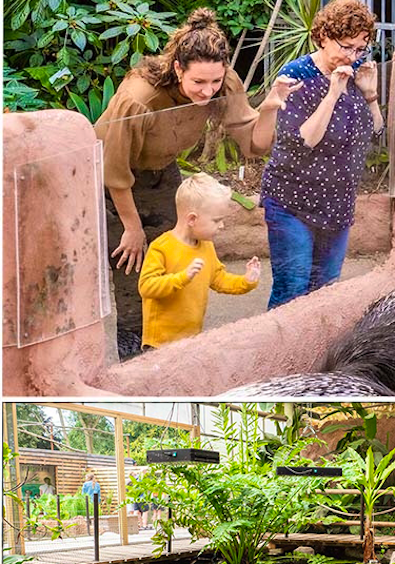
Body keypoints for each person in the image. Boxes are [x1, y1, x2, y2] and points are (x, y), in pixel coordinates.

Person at [95, 8, 299, 357]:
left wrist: (269, 109)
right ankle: (134, 355)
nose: (208, 91)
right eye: (198, 83)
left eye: (215, 82)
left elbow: (254, 144)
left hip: (162, 169)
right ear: (178, 68)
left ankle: (171, 344)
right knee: (135, 269)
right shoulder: (139, 98)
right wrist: (131, 226)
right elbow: (113, 171)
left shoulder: (224, 83)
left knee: (178, 252)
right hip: (111, 182)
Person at [260, 0, 383, 309]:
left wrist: (370, 95)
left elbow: (376, 132)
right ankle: (278, 357)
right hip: (292, 202)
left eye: (359, 49)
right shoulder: (296, 74)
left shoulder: (355, 71)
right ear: (324, 37)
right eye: (346, 46)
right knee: (293, 289)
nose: (352, 56)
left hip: (337, 204)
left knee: (326, 293)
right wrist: (332, 94)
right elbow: (304, 140)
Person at [138, 174, 260, 350]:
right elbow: (146, 287)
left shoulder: (206, 246)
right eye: (217, 220)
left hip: (191, 339)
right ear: (192, 219)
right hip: (160, 344)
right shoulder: (161, 247)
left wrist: (246, 281)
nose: (222, 226)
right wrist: (182, 278)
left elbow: (218, 279)